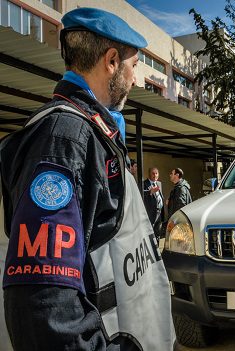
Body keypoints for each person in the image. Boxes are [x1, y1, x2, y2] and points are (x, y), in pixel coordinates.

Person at [0, 7, 175, 350]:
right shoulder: (63, 140)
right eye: (134, 65)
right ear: (111, 61)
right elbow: (44, 307)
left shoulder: (94, 133)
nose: (137, 80)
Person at [143, 167, 165, 236]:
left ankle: (157, 246)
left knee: (157, 233)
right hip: (150, 214)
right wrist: (150, 192)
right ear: (149, 174)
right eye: (153, 173)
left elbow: (160, 196)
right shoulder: (144, 184)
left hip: (159, 213)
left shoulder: (159, 183)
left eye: (156, 173)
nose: (155, 175)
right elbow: (140, 194)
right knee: (150, 235)